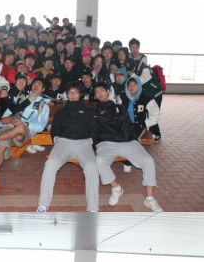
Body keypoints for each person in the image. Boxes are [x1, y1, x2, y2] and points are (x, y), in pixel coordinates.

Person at [93, 82, 163, 212]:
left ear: (108, 91)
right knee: (99, 161)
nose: (99, 93)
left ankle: (149, 198)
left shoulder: (119, 107)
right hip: (107, 143)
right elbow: (94, 128)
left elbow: (128, 124)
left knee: (148, 161)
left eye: (102, 90)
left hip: (127, 141)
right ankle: (116, 188)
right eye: (96, 92)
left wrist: (132, 138)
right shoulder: (94, 110)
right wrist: (96, 142)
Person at [37, 81, 99, 213]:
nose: (72, 95)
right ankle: (43, 204)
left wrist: (90, 140)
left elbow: (94, 128)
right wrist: (56, 139)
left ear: (80, 94)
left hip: (83, 143)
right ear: (67, 94)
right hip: (63, 142)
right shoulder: (61, 112)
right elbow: (55, 128)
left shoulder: (88, 111)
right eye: (70, 92)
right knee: (50, 163)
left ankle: (93, 208)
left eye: (75, 92)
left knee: (92, 166)